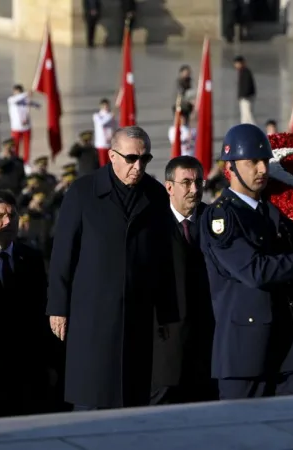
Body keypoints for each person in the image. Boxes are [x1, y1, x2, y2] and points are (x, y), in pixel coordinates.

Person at [200, 124, 293, 399]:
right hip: (245, 356)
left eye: (265, 161)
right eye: (252, 162)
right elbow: (256, 271)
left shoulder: (275, 210)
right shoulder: (221, 217)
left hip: (289, 350)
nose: (262, 169)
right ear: (230, 167)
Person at [47, 126, 178, 410]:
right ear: (112, 156)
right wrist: (58, 307)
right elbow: (63, 253)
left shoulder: (155, 195)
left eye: (144, 159)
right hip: (92, 314)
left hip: (137, 312)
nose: (138, 166)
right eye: (131, 158)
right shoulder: (83, 192)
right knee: (92, 395)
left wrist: (167, 312)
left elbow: (163, 257)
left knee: (132, 396)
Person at [0, 190, 57, 417]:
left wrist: (49, 362)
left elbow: (41, 311)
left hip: (27, 369)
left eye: (12, 215)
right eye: (0, 216)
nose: (8, 221)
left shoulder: (31, 258)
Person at [151, 156, 216, 405]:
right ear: (169, 187)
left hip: (209, 345)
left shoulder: (216, 219)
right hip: (165, 348)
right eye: (186, 182)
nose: (194, 189)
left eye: (198, 182)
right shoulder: (152, 225)